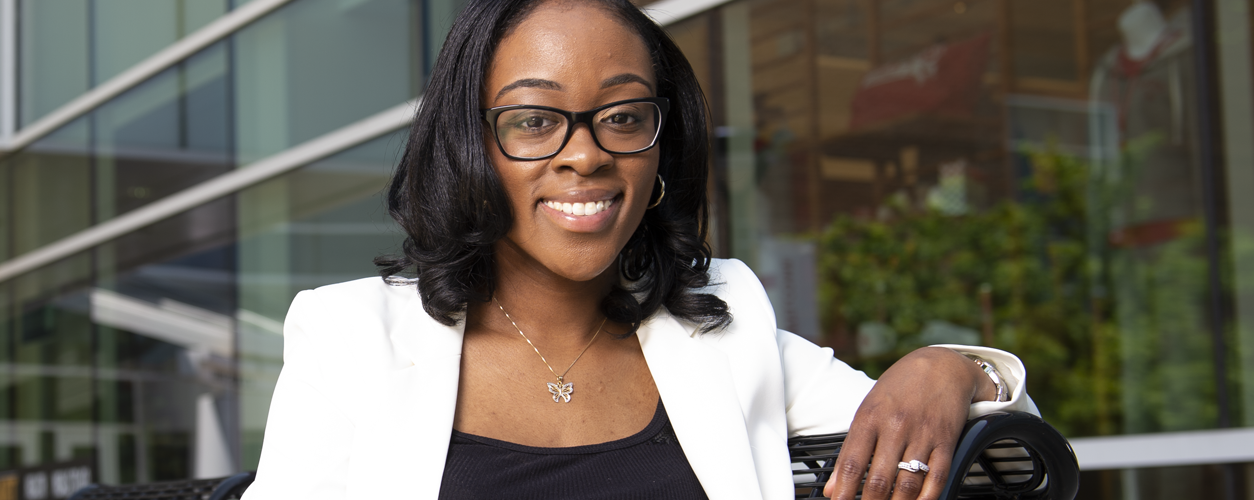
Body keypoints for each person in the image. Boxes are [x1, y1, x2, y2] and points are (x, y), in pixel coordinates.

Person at [243, 0, 1038, 499]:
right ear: (470, 147)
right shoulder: (350, 337)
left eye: (623, 117)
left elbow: (1017, 462)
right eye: (533, 120)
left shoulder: (724, 329)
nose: (585, 154)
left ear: (661, 149)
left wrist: (954, 366)